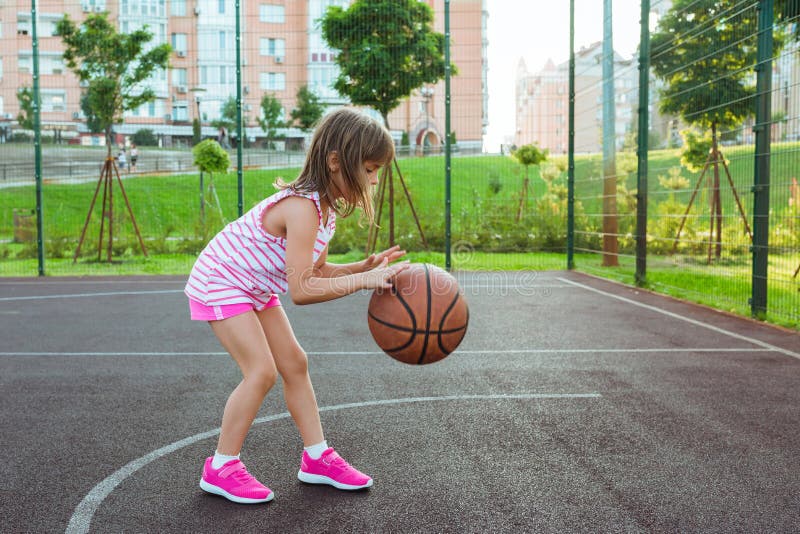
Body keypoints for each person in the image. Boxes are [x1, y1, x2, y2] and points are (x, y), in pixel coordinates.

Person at [185, 108, 409, 504]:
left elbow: (315, 269)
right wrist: (362, 282)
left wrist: (361, 266)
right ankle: (220, 467)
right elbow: (303, 291)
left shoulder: (325, 213)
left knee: (295, 363)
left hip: (252, 285)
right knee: (261, 371)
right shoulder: (303, 208)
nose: (374, 179)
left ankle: (317, 457)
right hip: (221, 280)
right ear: (336, 161)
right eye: (370, 169)